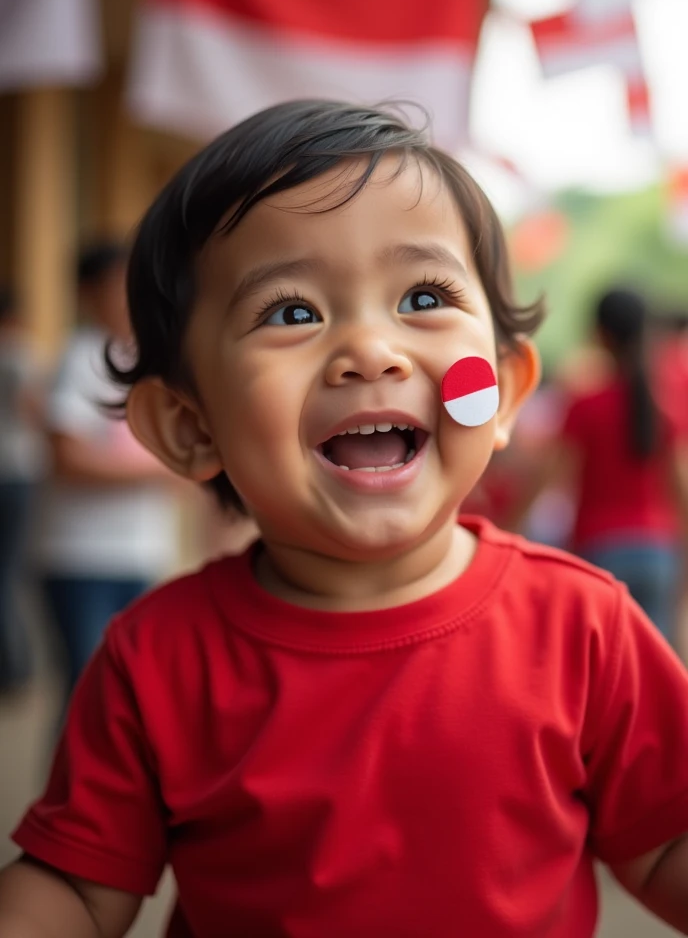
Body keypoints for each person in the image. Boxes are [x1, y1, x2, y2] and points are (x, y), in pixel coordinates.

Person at [2, 101, 688, 937]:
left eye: (424, 296)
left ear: (504, 392)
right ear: (191, 427)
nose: (373, 350)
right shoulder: (157, 662)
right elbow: (75, 889)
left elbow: (664, 847)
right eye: (293, 312)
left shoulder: (585, 628)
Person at [34, 241, 178, 707]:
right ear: (87, 294)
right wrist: (160, 471)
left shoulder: (143, 358)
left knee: (124, 693)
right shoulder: (80, 358)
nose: (130, 296)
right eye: (118, 285)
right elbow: (67, 459)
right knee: (88, 693)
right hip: (81, 556)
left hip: (138, 552)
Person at [513, 288, 687, 642]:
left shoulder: (585, 405)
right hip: (658, 552)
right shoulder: (664, 408)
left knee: (606, 663)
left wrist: (510, 525)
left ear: (599, 334)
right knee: (654, 666)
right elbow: (680, 488)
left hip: (600, 550)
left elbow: (550, 476)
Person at [0, 288, 45, 695]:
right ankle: (14, 668)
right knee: (11, 570)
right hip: (17, 471)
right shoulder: (19, 353)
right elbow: (35, 411)